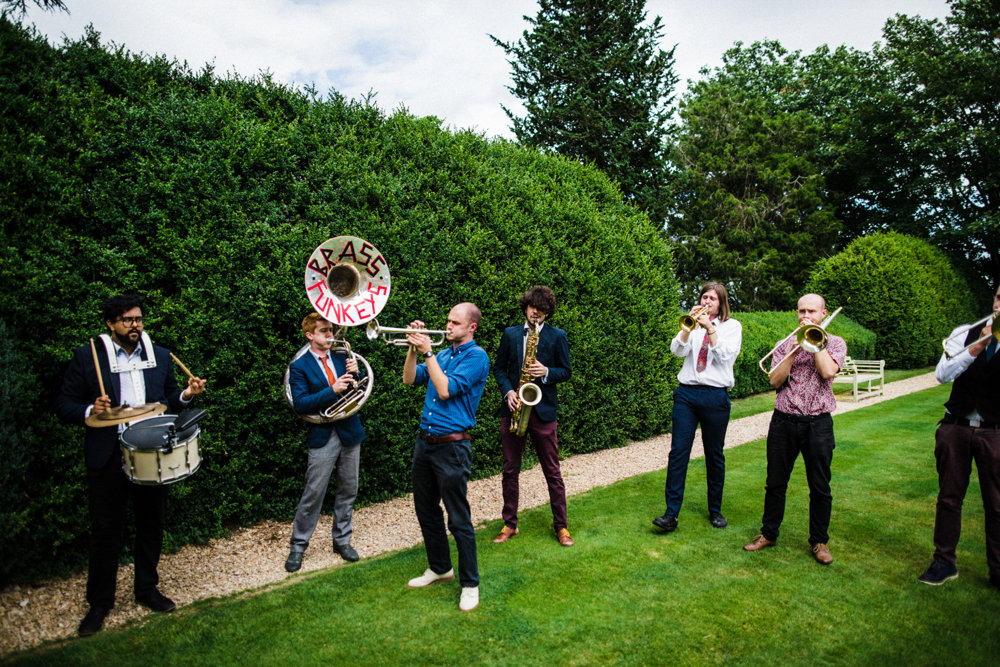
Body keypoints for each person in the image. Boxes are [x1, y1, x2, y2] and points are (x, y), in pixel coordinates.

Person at [55, 293, 206, 637]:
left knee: (151, 525)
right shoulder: (89, 356)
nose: (135, 325)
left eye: (138, 319)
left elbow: (167, 400)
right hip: (108, 456)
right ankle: (100, 603)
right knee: (105, 531)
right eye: (128, 320)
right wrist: (90, 410)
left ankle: (146, 590)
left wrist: (186, 395)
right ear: (111, 324)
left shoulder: (161, 355)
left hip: (150, 454)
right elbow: (63, 403)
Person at [743, 293, 845, 565]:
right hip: (784, 421)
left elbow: (827, 372)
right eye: (801, 311)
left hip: (818, 423)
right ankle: (768, 533)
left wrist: (814, 342)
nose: (805, 316)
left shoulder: (835, 343)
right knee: (775, 482)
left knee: (820, 486)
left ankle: (819, 542)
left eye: (811, 311)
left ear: (824, 313)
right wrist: (794, 350)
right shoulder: (784, 344)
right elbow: (775, 381)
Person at [402, 303, 490, 612]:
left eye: (454, 322)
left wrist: (427, 351)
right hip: (425, 442)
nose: (448, 326)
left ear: (471, 328)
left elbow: (444, 390)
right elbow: (410, 380)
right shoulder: (443, 354)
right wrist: (414, 348)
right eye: (448, 321)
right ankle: (440, 568)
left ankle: (470, 584)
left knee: (458, 517)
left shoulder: (477, 357)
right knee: (425, 509)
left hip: (452, 447)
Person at [918, 286, 1000, 588]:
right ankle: (944, 563)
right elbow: (942, 374)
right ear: (993, 300)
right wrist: (977, 347)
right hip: (957, 426)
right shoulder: (965, 332)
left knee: (997, 504)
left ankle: (998, 569)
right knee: (949, 498)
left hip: (995, 430)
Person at [653, 282, 742, 533]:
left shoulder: (732, 327)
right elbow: (676, 351)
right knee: (678, 452)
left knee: (714, 455)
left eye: (713, 298)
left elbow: (725, 355)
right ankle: (671, 514)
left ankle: (715, 510)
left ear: (721, 302)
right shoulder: (692, 323)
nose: (707, 301)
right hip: (687, 394)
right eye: (704, 297)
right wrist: (686, 328)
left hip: (715, 396)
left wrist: (709, 328)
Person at [284, 313, 367, 573]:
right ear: (310, 335)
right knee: (313, 493)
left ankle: (342, 541)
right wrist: (332, 390)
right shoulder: (299, 367)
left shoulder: (343, 357)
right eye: (324, 331)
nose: (330, 335)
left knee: (348, 489)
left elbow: (359, 387)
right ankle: (298, 546)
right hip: (323, 436)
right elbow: (300, 404)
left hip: (349, 431)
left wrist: (357, 372)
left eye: (330, 330)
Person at [493, 285, 574, 546]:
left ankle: (561, 526)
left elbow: (567, 371)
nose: (534, 312)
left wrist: (546, 371)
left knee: (552, 471)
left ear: (547, 312)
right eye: (531, 307)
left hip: (544, 410)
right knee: (509, 470)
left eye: (540, 309)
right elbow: (499, 369)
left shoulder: (557, 336)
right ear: (525, 307)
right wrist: (508, 392)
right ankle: (510, 523)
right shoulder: (510, 334)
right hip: (514, 407)